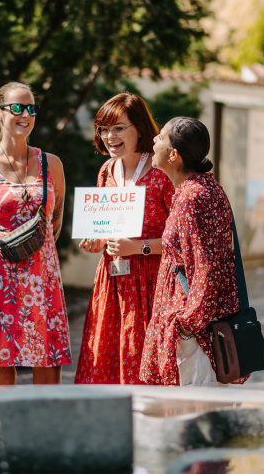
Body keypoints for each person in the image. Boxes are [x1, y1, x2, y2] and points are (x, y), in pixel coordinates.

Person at [0, 81, 71, 385]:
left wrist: (33, 261)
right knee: (0, 385)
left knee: (48, 380)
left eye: (31, 108)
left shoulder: (52, 164)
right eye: (17, 107)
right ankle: (3, 433)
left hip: (41, 280)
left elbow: (54, 226)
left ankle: (43, 434)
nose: (26, 115)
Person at [139, 117, 248, 386]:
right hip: (200, 330)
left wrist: (187, 324)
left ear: (174, 155)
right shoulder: (206, 188)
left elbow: (205, 266)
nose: (154, 141)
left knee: (193, 416)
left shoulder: (192, 197)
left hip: (197, 338)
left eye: (161, 138)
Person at [74, 93, 174, 384]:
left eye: (119, 128)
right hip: (112, 282)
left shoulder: (161, 172)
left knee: (146, 361)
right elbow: (105, 228)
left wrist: (139, 247)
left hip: (152, 283)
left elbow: (181, 241)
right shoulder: (106, 171)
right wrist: (97, 240)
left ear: (139, 129)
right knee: (107, 360)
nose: (109, 136)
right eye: (104, 129)